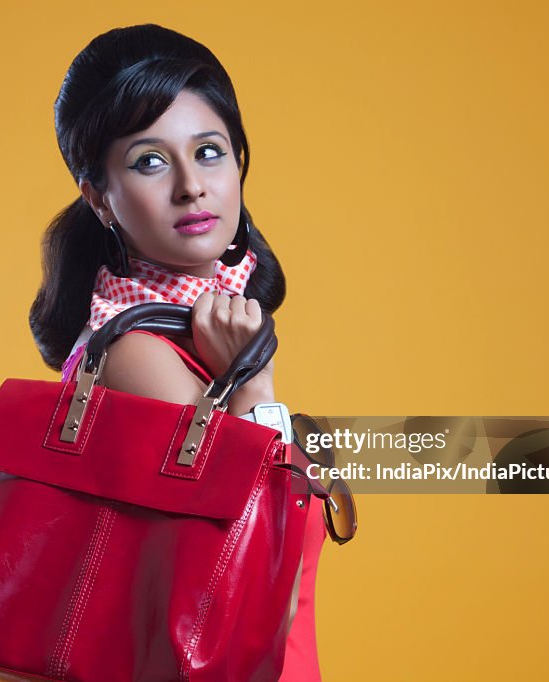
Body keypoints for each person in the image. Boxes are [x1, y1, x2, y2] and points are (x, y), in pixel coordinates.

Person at [29, 24, 327, 680]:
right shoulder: (136, 354)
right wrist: (253, 390)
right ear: (99, 197)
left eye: (211, 151)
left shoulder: (188, 334)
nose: (192, 186)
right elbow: (250, 552)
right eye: (150, 161)